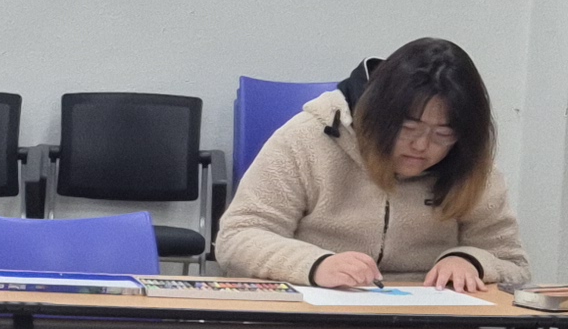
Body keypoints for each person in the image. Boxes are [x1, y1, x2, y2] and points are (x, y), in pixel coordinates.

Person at [214, 37, 525, 291]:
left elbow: (512, 263)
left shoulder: (471, 165)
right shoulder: (305, 139)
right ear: (377, 115)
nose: (421, 145)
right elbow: (238, 237)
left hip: (429, 319)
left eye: (443, 134)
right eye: (408, 128)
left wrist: (470, 261)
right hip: (316, 307)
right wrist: (315, 265)